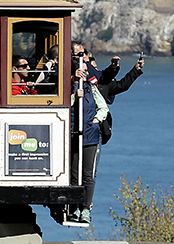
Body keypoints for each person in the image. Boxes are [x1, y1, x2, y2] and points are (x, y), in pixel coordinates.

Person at [68, 42, 109, 223]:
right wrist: (73, 95)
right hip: (74, 134)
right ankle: (74, 207)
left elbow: (103, 108)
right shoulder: (68, 87)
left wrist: (95, 121)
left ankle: (85, 209)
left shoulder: (92, 88)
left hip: (90, 136)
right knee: (74, 174)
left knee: (88, 175)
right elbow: (61, 106)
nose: (84, 72)